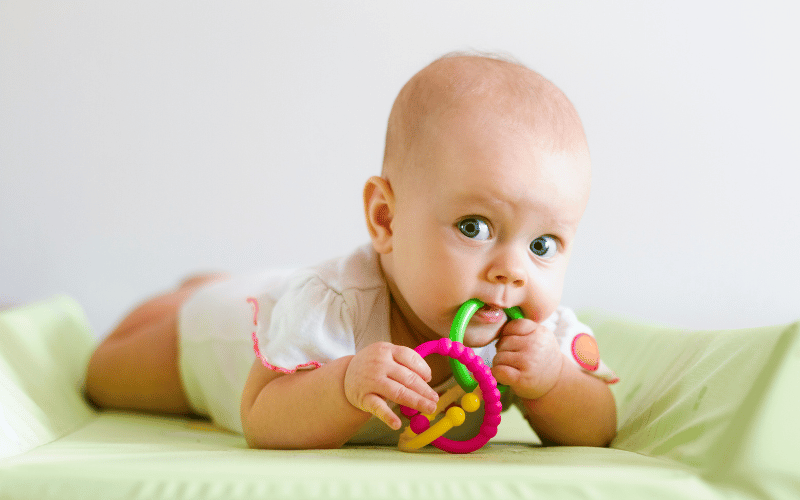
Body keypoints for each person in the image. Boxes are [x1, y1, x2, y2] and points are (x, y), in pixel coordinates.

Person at [86, 52, 618, 450]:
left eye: (543, 245)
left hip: (285, 289)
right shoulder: (334, 308)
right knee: (104, 374)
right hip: (225, 338)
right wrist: (343, 384)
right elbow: (261, 414)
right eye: (474, 227)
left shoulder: (538, 341)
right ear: (385, 219)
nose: (511, 270)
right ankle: (196, 292)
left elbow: (600, 426)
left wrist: (554, 384)